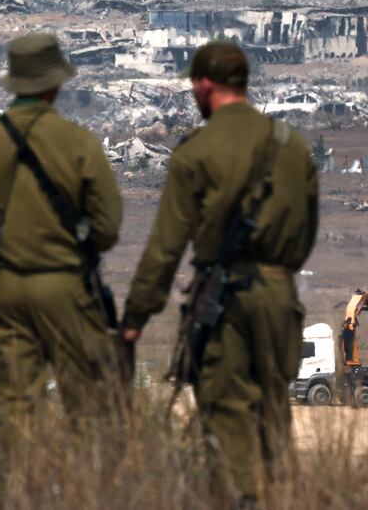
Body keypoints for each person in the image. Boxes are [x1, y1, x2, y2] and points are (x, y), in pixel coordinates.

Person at [121, 41, 317, 504]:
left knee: (226, 424)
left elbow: (165, 248)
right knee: (274, 415)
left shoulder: (196, 153)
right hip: (279, 299)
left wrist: (134, 320)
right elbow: (306, 232)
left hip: (225, 304)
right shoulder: (292, 146)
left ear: (205, 86)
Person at [0, 33, 122, 427]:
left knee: (13, 411)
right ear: (55, 84)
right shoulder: (79, 143)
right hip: (66, 287)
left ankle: (20, 483)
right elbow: (108, 228)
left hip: (3, 290)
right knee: (88, 408)